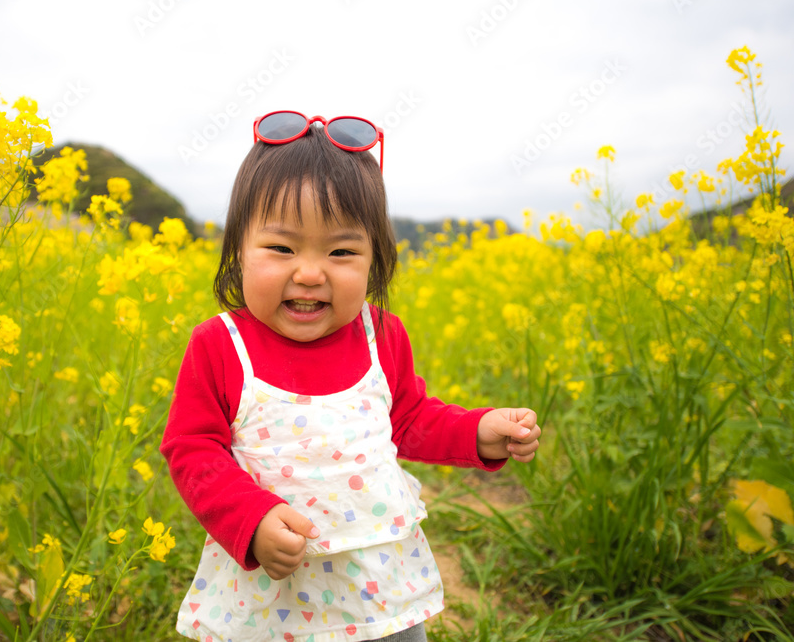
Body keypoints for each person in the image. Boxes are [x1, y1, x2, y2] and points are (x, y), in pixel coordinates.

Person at [160, 111, 541, 642]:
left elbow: (409, 420)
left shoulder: (380, 334)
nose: (311, 272)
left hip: (377, 584)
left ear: (374, 260)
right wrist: (250, 519)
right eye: (281, 248)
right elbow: (192, 447)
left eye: (341, 251)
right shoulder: (220, 345)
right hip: (272, 591)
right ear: (238, 252)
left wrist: (479, 431)